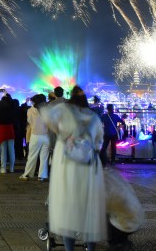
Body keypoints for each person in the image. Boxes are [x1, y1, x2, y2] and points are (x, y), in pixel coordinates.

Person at [41, 86, 106, 250]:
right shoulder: (94, 117)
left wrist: (62, 135)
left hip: (67, 163)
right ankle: (90, 248)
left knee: (67, 206)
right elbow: (99, 142)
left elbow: (46, 115)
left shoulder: (63, 110)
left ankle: (69, 248)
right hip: (89, 165)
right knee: (88, 207)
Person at [20, 94, 50, 181]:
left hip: (35, 135)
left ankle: (27, 174)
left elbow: (29, 121)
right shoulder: (47, 110)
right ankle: (42, 176)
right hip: (46, 136)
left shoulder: (30, 110)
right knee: (44, 157)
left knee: (32, 156)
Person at [0, 92, 16, 173]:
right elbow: (12, 102)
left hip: (2, 129)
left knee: (3, 150)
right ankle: (11, 168)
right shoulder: (11, 107)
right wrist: (8, 94)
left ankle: (3, 168)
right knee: (11, 150)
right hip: (10, 129)